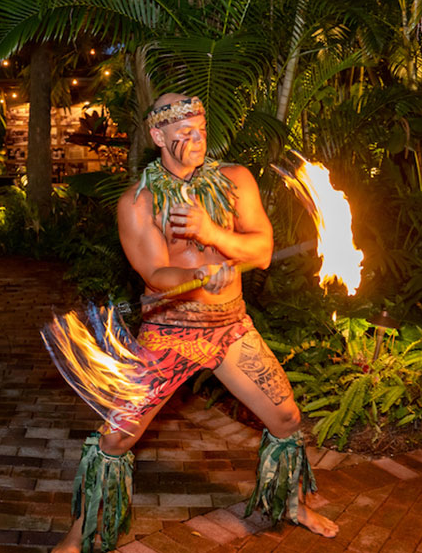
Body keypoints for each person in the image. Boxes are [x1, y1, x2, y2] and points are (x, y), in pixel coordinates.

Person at [53, 94, 339, 553]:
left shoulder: (235, 181)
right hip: (171, 333)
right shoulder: (138, 202)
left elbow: (262, 251)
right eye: (183, 133)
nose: (195, 140)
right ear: (157, 137)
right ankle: (81, 534)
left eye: (200, 130)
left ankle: (291, 502)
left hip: (231, 327)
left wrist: (212, 234)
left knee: (286, 419)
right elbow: (155, 274)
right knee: (115, 435)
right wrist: (197, 276)